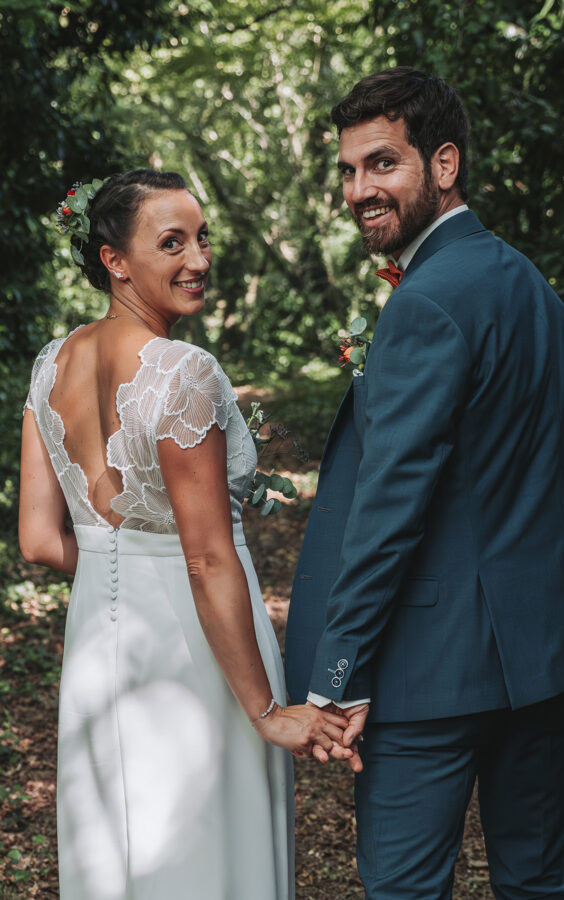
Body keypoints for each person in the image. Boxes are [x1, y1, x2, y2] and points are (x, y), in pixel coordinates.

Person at [285, 67, 564, 899]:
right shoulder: (537, 292)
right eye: (349, 171)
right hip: (543, 659)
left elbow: (391, 505)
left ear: (445, 164)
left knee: (402, 887)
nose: (359, 190)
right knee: (536, 879)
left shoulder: (426, 303)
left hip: (433, 670)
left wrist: (336, 675)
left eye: (382, 164)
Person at [19, 168, 351, 900]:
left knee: (122, 854)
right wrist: (267, 710)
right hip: (193, 651)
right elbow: (206, 557)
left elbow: (39, 541)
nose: (198, 259)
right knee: (210, 855)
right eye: (172, 242)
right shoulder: (184, 372)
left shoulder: (48, 367)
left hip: (98, 648)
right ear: (114, 260)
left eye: (202, 238)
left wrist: (117, 570)